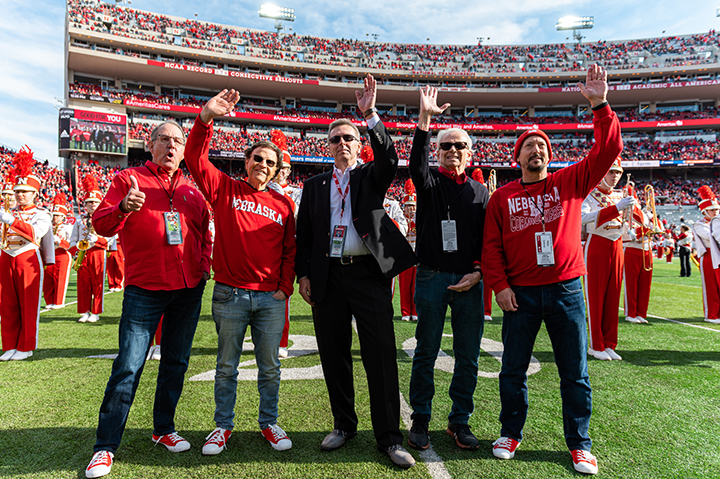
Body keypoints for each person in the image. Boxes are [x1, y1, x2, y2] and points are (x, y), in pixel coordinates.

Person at [482, 64, 622, 475]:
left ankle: (580, 443)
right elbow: (490, 249)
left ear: (549, 154)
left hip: (566, 290)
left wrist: (600, 105)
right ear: (517, 156)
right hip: (520, 294)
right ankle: (511, 431)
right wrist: (500, 286)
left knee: (575, 373)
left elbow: (608, 151)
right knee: (512, 370)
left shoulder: (570, 182)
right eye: (529, 145)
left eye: (542, 145)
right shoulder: (502, 197)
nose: (536, 151)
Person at [295, 74, 417, 469]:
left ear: (359, 143)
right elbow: (305, 236)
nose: (342, 143)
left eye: (349, 137)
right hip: (328, 276)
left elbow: (390, 160)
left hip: (368, 274)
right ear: (327, 146)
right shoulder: (313, 186)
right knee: (333, 353)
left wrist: (371, 114)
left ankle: (389, 436)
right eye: (335, 139)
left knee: (380, 355)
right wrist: (303, 275)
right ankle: (343, 424)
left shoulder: (370, 175)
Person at [84, 120, 212, 479]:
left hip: (188, 288)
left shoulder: (193, 187)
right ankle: (105, 447)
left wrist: (203, 267)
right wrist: (123, 207)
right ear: (150, 144)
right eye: (165, 140)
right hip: (145, 287)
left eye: (178, 141)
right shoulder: (128, 179)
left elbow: (205, 235)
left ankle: (163, 428)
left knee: (176, 362)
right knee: (128, 365)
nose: (172, 147)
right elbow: (101, 224)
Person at [185, 90, 297, 455]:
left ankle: (269, 422)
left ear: (276, 169)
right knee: (226, 366)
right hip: (230, 293)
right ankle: (222, 426)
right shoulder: (224, 188)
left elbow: (289, 251)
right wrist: (206, 118)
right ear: (245, 161)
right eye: (257, 158)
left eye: (269, 161)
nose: (262, 165)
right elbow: (195, 159)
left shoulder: (283, 204)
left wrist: (284, 289)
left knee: (269, 367)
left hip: (270, 298)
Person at [406, 85, 488, 452]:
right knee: (426, 350)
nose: (452, 150)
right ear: (438, 152)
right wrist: (425, 120)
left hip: (470, 281)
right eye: (446, 146)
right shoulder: (428, 182)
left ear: (470, 153)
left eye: (459, 146)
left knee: (468, 354)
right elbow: (415, 163)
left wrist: (478, 270)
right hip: (432, 276)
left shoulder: (481, 192)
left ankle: (460, 420)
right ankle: (420, 418)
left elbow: (487, 240)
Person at [581, 161, 637, 361]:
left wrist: (629, 229)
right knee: (595, 297)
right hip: (597, 244)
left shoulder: (619, 195)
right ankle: (595, 345)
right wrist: (615, 209)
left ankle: (609, 343)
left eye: (618, 173)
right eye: (611, 172)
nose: (615, 176)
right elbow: (582, 218)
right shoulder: (590, 194)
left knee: (613, 296)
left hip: (617, 244)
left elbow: (625, 219)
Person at [0, 147, 52, 361]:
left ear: (35, 193)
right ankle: (10, 345)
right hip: (6, 257)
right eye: (17, 191)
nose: (20, 195)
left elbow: (36, 233)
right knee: (7, 303)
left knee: (28, 304)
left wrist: (11, 220)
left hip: (27, 258)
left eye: (25, 192)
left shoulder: (42, 214)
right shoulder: (9, 212)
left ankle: (26, 346)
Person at [268, 130, 302, 359]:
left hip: (287, 252)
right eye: (279, 168)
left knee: (283, 299)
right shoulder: (262, 188)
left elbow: (301, 222)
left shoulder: (298, 193)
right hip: (264, 251)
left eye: (285, 169)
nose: (282, 172)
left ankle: (281, 341)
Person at [71, 175, 111, 323]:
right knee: (83, 284)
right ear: (85, 205)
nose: (92, 205)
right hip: (83, 253)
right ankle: (84, 311)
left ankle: (96, 311)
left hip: (98, 252)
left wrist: (98, 240)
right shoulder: (80, 219)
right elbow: (72, 239)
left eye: (95, 202)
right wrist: (76, 248)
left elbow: (110, 238)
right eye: (89, 203)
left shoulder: (105, 218)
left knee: (97, 283)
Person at [622, 200, 655, 324]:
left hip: (647, 250)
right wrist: (644, 231)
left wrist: (653, 218)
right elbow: (627, 234)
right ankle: (630, 313)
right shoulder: (624, 215)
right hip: (632, 249)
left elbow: (658, 230)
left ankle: (641, 313)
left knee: (645, 284)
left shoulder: (646, 216)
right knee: (631, 284)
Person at [693, 186, 720, 324]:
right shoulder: (699, 224)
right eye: (712, 210)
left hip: (718, 255)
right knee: (711, 286)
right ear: (705, 211)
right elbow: (711, 236)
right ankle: (711, 315)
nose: (715, 212)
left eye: (717, 209)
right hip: (709, 255)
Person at [43, 193, 74, 309]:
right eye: (54, 215)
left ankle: (59, 302)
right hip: (49, 254)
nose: (55, 217)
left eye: (58, 215)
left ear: (63, 217)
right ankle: (49, 301)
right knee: (48, 280)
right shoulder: (47, 226)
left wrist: (60, 242)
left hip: (62, 254)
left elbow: (71, 243)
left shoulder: (67, 227)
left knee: (60, 278)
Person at [397, 180, 418, 321]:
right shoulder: (401, 219)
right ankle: (405, 312)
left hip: (417, 255)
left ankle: (415, 312)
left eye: (412, 207)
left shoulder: (419, 219)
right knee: (404, 285)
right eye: (408, 207)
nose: (410, 210)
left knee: (416, 285)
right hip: (404, 255)